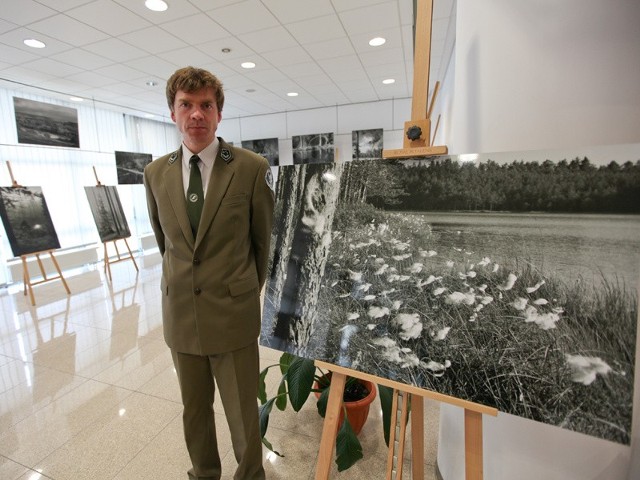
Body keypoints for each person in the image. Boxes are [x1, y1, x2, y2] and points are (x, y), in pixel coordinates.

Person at [144, 66, 275, 480]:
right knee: (194, 410)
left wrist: (243, 290)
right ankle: (204, 473)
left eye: (206, 105)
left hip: (232, 315)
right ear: (172, 113)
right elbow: (165, 241)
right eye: (186, 105)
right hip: (181, 314)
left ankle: (250, 475)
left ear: (219, 114)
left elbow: (262, 244)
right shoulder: (155, 173)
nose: (196, 114)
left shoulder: (251, 168)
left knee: (242, 417)